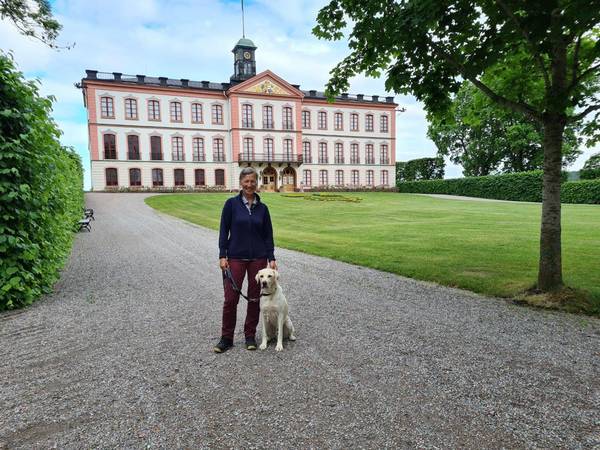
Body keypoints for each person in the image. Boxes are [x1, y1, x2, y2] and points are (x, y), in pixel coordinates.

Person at [214, 167, 277, 353]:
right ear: (241, 183)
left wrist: (271, 257)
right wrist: (222, 254)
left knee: (254, 299)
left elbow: (268, 235)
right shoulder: (231, 205)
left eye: (252, 181)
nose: (249, 185)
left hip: (258, 259)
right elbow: (224, 230)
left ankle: (250, 335)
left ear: (257, 183)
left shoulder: (263, 209)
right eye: (246, 181)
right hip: (235, 257)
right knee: (231, 299)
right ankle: (226, 338)